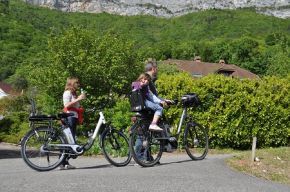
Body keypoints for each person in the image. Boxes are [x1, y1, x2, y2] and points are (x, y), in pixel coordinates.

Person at [60, 77, 86, 170]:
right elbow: (66, 105)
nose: (78, 84)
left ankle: (65, 163)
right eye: (76, 83)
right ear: (71, 83)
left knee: (70, 141)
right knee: (67, 141)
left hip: (73, 117)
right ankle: (62, 163)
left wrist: (80, 99)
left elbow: (75, 105)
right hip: (69, 117)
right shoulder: (67, 92)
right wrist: (78, 99)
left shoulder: (73, 93)